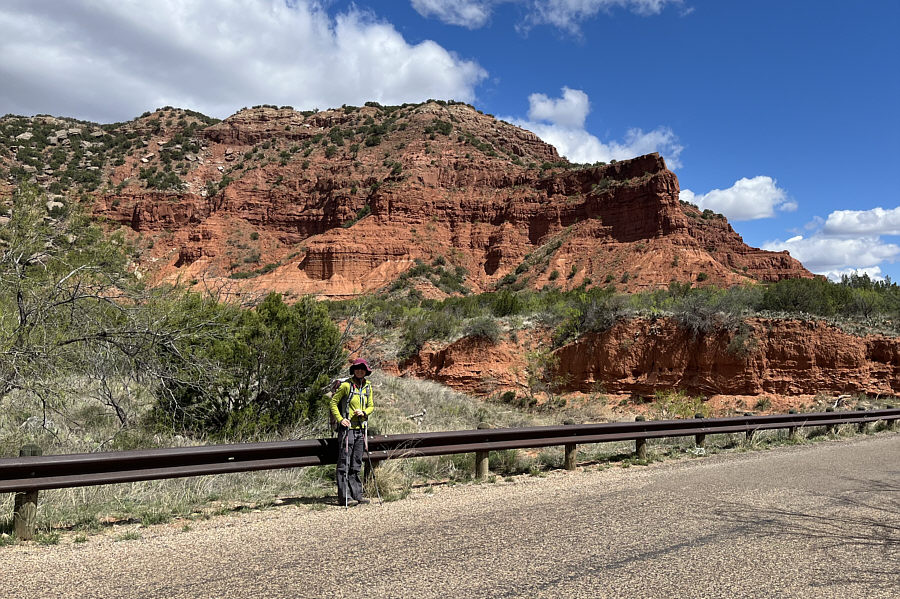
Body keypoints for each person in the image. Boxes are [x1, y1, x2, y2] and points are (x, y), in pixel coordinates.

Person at [330, 358, 375, 506]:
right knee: (344, 462)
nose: (360, 371)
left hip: (361, 430)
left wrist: (364, 412)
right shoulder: (346, 386)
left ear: (366, 371)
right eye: (357, 368)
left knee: (356, 464)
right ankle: (345, 497)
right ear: (353, 370)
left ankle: (357, 495)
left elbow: (371, 406)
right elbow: (333, 403)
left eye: (362, 368)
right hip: (347, 430)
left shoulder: (368, 387)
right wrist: (341, 419)